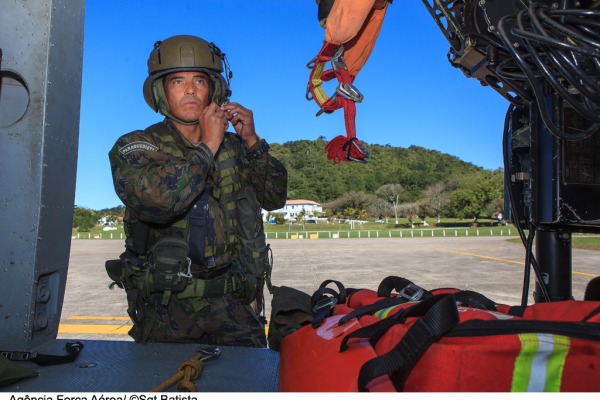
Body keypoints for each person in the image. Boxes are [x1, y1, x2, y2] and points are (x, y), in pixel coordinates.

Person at [106, 35, 288, 347]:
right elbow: (159, 201)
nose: (190, 90)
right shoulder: (137, 146)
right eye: (178, 81)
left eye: (199, 81)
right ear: (161, 92)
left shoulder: (236, 148)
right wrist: (209, 144)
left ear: (213, 90)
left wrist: (253, 142)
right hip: (168, 311)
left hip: (234, 306)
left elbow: (275, 198)